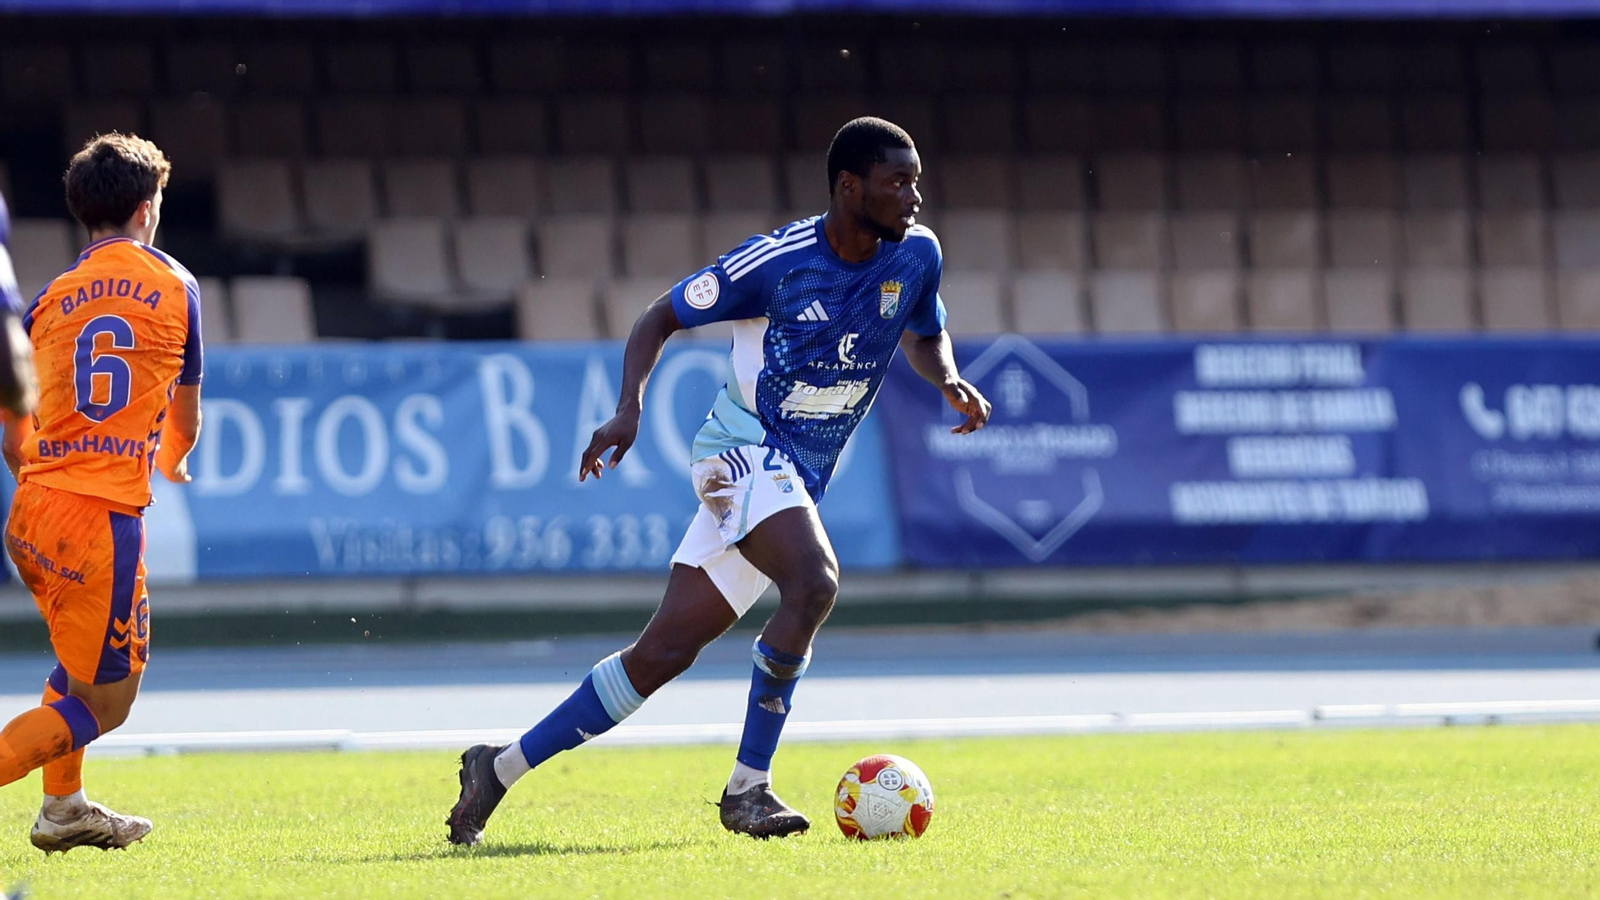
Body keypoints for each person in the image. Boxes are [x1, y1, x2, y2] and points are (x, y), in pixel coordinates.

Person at [447, 116, 991, 845]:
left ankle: (498, 769)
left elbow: (925, 334)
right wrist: (627, 411)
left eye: (916, 181)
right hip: (739, 450)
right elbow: (657, 317)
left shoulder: (916, 255)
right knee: (815, 581)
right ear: (849, 186)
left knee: (661, 655)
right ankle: (749, 790)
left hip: (795, 474)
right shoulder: (777, 263)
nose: (914, 197)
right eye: (898, 182)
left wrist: (948, 377)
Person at [0, 133, 203, 853]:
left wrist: (43, 477)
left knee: (74, 672)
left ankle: (64, 810)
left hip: (31, 512)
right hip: (99, 522)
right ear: (148, 209)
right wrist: (175, 461)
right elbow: (185, 415)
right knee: (109, 703)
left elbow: (11, 418)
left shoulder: (49, 298)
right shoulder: (176, 285)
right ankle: (59, 804)